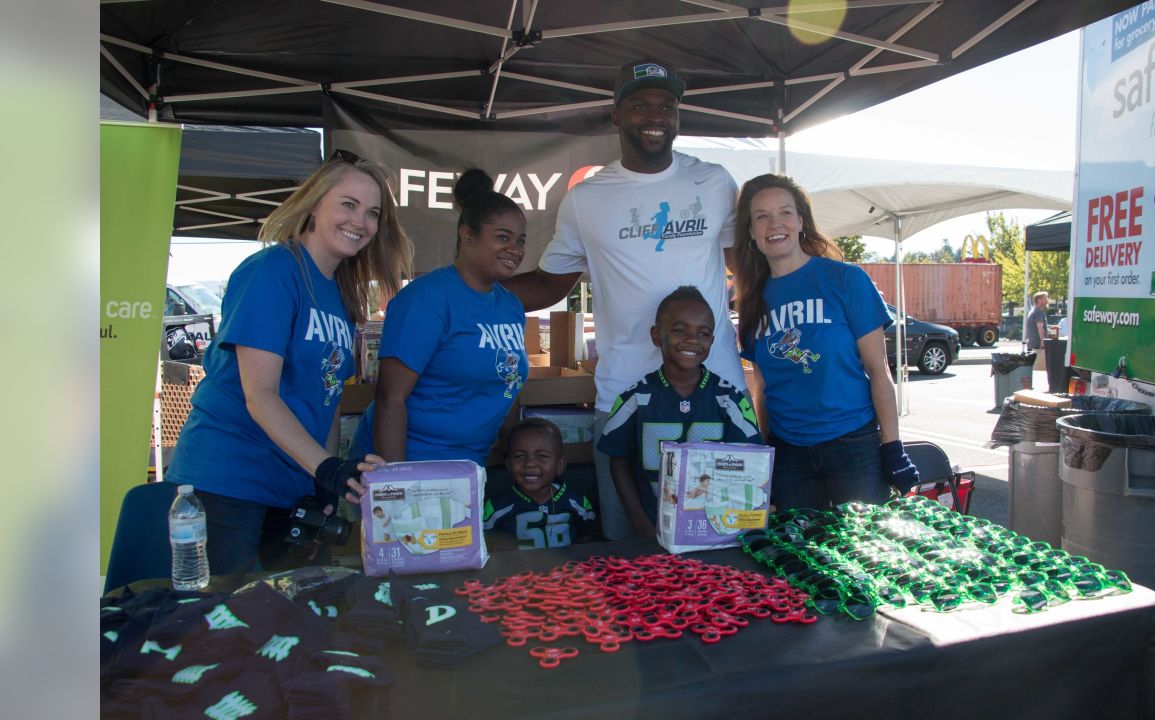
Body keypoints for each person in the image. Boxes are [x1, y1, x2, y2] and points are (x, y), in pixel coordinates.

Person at [503, 59, 745, 540]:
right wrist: (467, 293)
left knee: (718, 539)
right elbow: (552, 284)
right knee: (630, 546)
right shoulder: (585, 200)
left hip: (714, 395)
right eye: (640, 105)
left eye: (667, 105)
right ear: (616, 116)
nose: (655, 115)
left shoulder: (715, 183)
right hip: (623, 400)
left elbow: (750, 269)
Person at [166, 149, 413, 577]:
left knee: (285, 623)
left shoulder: (341, 295)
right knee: (229, 624)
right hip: (229, 480)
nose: (361, 222)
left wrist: (323, 479)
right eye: (348, 205)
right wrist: (326, 467)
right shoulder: (272, 272)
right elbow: (258, 395)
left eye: (372, 213)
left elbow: (329, 398)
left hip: (292, 486)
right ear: (315, 205)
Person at [732, 174, 919, 509]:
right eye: (761, 216)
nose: (775, 223)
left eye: (785, 212)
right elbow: (763, 386)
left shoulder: (846, 280)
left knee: (865, 555)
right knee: (801, 557)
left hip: (854, 447)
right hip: (789, 457)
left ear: (801, 221)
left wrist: (893, 447)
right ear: (750, 232)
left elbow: (879, 371)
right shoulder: (751, 302)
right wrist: (764, 451)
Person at [348, 169, 529, 464]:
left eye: (521, 241)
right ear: (467, 235)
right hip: (414, 464)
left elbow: (507, 383)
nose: (515, 249)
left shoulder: (510, 306)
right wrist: (396, 484)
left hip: (469, 468)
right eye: (502, 237)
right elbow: (390, 399)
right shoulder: (426, 299)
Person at [596, 287, 761, 538]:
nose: (692, 339)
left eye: (703, 333)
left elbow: (749, 464)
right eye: (679, 330)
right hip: (653, 526)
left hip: (715, 529)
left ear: (712, 340)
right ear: (656, 336)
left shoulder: (730, 399)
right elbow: (619, 462)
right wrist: (642, 525)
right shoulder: (635, 398)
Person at [483, 418, 597, 549]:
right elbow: (488, 546)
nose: (530, 463)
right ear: (508, 465)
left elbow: (586, 542)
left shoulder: (578, 503)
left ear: (559, 465)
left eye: (542, 456)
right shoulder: (496, 507)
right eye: (519, 456)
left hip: (566, 568)